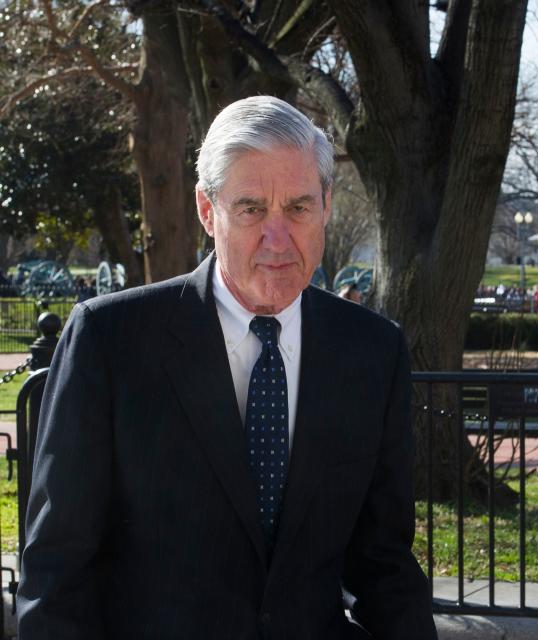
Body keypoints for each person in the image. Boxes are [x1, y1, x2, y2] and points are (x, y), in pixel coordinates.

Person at [17, 96, 437, 640]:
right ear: (206, 209)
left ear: (328, 204)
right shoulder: (110, 340)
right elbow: (56, 570)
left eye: (299, 208)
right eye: (252, 209)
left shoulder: (373, 352)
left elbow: (383, 563)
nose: (278, 238)